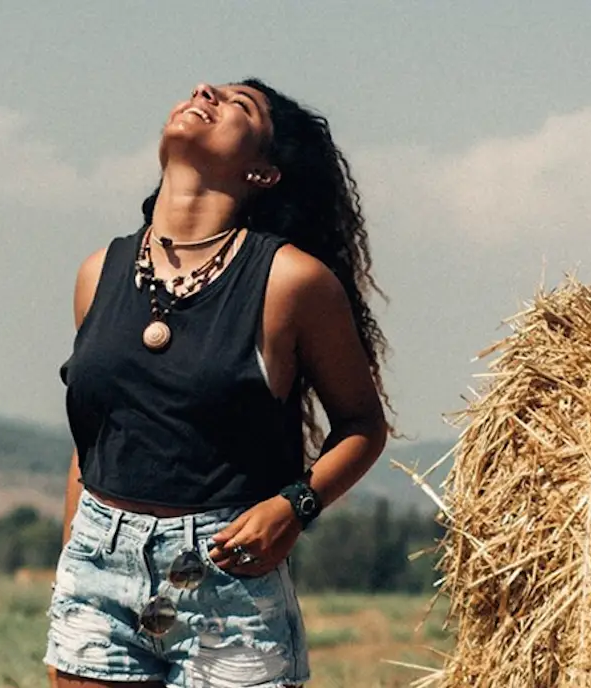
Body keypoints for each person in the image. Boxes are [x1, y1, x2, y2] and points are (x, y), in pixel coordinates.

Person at [44, 79, 391, 688]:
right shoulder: (98, 271)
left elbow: (363, 424)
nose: (204, 90)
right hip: (97, 570)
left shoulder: (291, 281)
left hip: (226, 576)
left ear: (263, 171)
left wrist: (295, 506)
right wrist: (73, 560)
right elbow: (94, 437)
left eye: (238, 103)